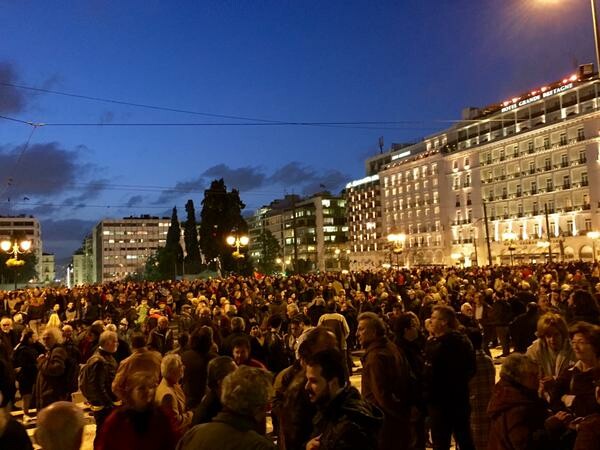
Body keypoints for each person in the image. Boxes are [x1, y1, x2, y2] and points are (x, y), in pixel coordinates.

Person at [177, 366, 276, 450]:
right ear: (258, 407)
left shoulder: (192, 434)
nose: (268, 407)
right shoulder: (260, 446)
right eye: (267, 404)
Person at [304, 348, 382, 450]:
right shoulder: (330, 410)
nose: (306, 386)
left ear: (334, 383)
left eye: (314, 381)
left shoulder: (350, 428)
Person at [357, 312, 412, 450]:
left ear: (374, 332)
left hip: (385, 424)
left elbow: (382, 396)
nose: (357, 333)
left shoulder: (376, 357)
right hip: (397, 421)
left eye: (362, 329)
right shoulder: (392, 348)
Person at [424, 305, 476, 450]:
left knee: (441, 442)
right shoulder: (464, 341)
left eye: (434, 318)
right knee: (465, 438)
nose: (430, 321)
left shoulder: (439, 345)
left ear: (444, 322)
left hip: (441, 402)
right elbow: (472, 369)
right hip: (460, 398)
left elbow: (430, 373)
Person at [96, 369, 178, 450]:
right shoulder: (117, 420)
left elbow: (170, 444)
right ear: (131, 392)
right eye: (141, 388)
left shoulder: (161, 417)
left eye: (151, 387)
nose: (148, 391)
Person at [487, 354, 555, 450]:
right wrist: (552, 426)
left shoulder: (507, 393)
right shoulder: (515, 406)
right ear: (519, 378)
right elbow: (524, 445)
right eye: (533, 375)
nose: (538, 379)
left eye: (537, 374)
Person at [80, 330, 120, 447]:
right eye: (115, 341)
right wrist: (109, 404)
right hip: (103, 405)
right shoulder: (99, 361)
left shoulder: (105, 356)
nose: (117, 344)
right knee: (102, 432)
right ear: (107, 343)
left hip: (105, 403)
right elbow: (98, 386)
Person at [112, 332, 162, 402]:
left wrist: (129, 400)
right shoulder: (157, 357)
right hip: (155, 398)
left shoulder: (126, 363)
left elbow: (115, 387)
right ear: (146, 343)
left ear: (131, 345)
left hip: (136, 401)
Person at [526, 313, 575, 381]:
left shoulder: (573, 348)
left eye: (556, 334)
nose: (552, 339)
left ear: (562, 334)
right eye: (548, 336)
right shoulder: (534, 351)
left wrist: (555, 380)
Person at [191, 356, 237, 425]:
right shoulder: (210, 410)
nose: (239, 377)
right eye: (235, 374)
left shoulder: (224, 399)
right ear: (221, 381)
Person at [155, 353, 193, 437]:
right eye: (181, 365)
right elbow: (175, 423)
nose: (184, 367)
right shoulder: (168, 395)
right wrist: (191, 415)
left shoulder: (172, 384)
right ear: (173, 371)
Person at [33, 327, 70, 408]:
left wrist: (41, 361)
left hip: (52, 395)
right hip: (48, 394)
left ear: (56, 338)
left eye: (48, 338)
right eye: (44, 338)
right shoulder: (50, 351)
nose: (45, 341)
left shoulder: (58, 350)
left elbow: (57, 369)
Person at [12, 328, 44, 418]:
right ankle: (25, 414)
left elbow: (42, 349)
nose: (34, 338)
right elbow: (23, 364)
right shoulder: (23, 349)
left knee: (31, 395)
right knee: (27, 395)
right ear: (28, 337)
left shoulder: (31, 346)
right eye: (33, 336)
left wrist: (36, 341)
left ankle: (28, 413)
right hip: (25, 376)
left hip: (32, 375)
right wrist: (37, 363)